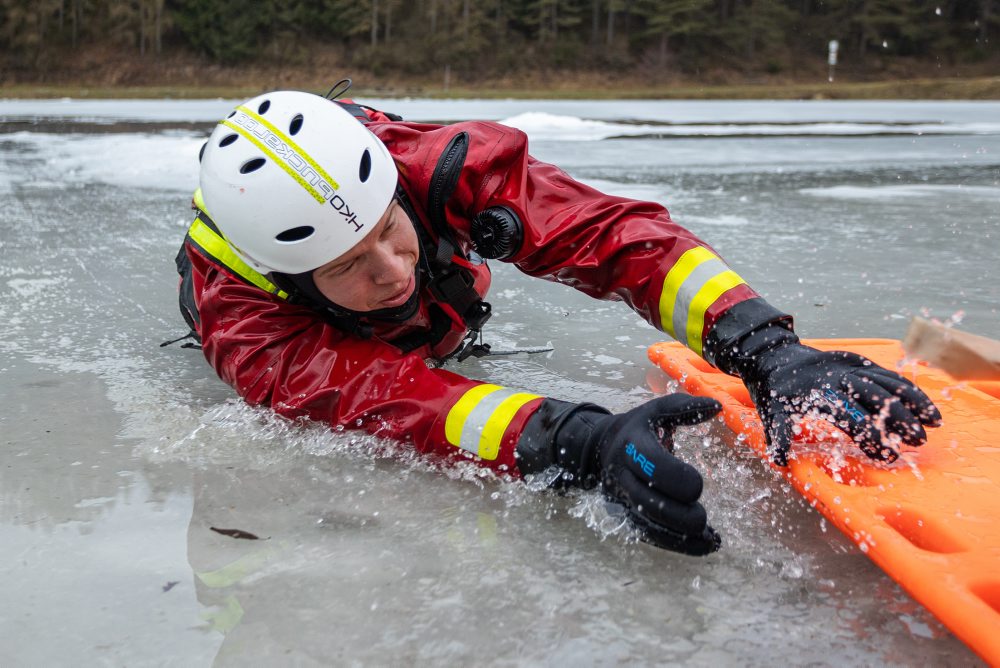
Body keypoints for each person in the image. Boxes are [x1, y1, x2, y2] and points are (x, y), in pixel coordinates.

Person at [173, 89, 941, 556]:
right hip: (319, 338)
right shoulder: (251, 330)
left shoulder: (435, 164)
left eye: (388, 228)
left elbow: (608, 236)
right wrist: (577, 440)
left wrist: (764, 344)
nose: (393, 268)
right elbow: (392, 398)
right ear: (291, 280)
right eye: (348, 265)